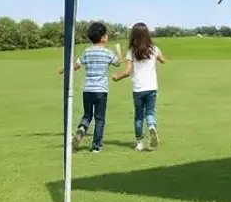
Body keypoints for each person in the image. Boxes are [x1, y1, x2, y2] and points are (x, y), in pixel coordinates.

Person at [59, 21, 120, 152]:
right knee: (100, 119)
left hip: (87, 90)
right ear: (103, 38)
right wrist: (119, 53)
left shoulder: (87, 51)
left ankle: (82, 129)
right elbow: (117, 63)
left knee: (87, 115)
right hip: (101, 91)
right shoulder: (107, 53)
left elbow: (76, 65)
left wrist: (64, 69)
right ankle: (96, 146)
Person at [113, 22, 165, 151]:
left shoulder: (131, 52)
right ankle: (152, 126)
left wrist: (117, 77)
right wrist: (156, 57)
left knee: (139, 116)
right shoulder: (154, 49)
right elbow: (163, 60)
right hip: (152, 87)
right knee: (150, 112)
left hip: (138, 88)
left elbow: (127, 72)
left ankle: (139, 142)